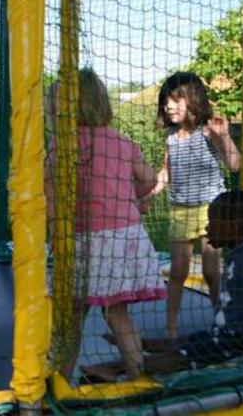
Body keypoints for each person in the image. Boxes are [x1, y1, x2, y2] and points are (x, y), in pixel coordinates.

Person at [81, 190, 243, 382]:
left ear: (234, 227)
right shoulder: (240, 254)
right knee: (183, 342)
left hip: (239, 342)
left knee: (184, 355)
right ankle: (137, 347)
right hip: (224, 335)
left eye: (213, 222)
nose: (207, 228)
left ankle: (121, 367)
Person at [44, 70, 166, 381]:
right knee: (117, 313)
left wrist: (57, 236)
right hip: (126, 237)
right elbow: (150, 179)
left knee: (71, 319)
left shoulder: (63, 145)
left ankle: (60, 382)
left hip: (87, 241)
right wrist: (130, 199)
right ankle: (139, 378)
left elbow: (52, 196)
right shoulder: (121, 141)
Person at [147, 72, 240, 339]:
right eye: (166, 101)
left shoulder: (208, 131)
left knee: (212, 270)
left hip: (212, 208)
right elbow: (167, 172)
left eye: (176, 100)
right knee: (178, 270)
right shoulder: (172, 138)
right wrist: (150, 193)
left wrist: (225, 136)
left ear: (193, 100)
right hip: (181, 210)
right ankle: (171, 330)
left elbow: (235, 164)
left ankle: (220, 320)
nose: (168, 106)